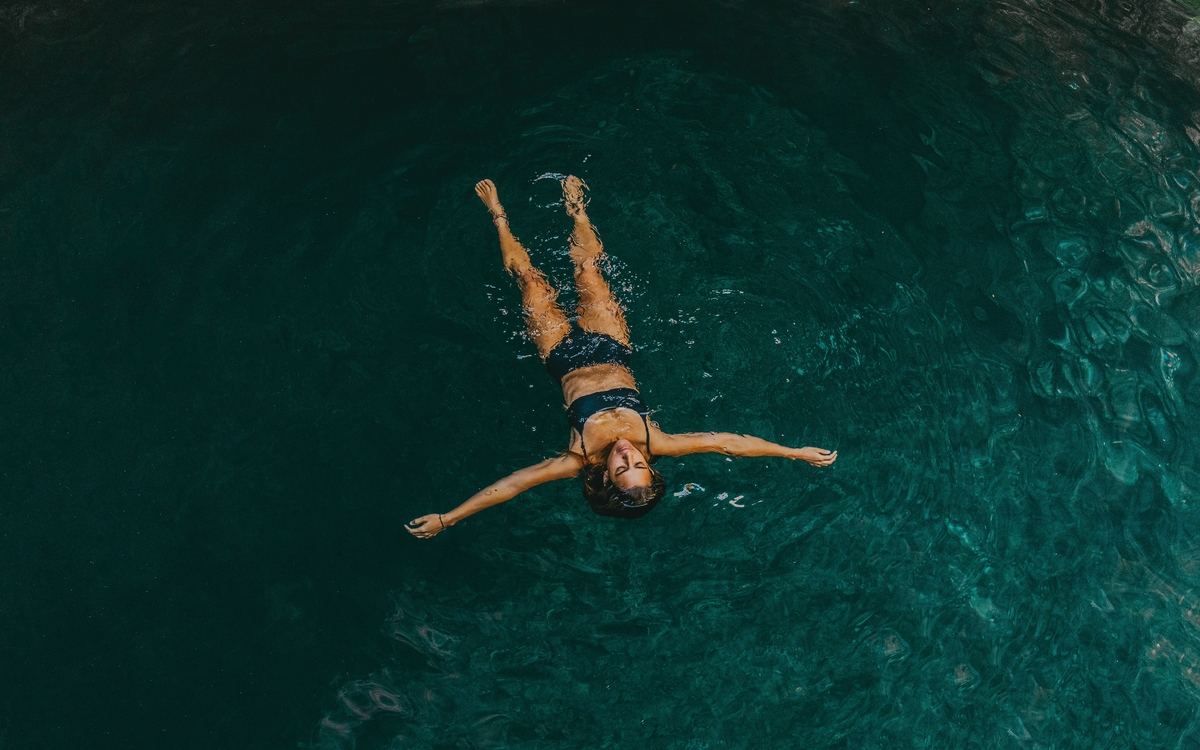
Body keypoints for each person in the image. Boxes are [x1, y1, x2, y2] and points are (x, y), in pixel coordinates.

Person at [406, 177, 836, 538]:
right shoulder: (658, 442)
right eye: (639, 464)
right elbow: (729, 443)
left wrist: (449, 518)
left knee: (529, 279)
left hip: (562, 357)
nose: (629, 453)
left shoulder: (576, 459)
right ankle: (576, 209)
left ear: (603, 478)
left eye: (622, 466)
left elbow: (512, 486)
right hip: (612, 347)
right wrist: (793, 452)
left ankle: (498, 214)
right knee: (588, 271)